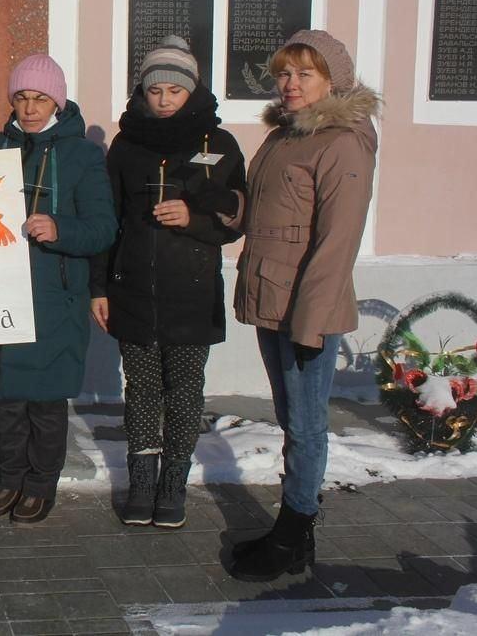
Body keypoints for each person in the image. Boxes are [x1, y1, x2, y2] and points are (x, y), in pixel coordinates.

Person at [228, 30, 379, 581]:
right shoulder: (285, 135)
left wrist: (310, 323)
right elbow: (262, 209)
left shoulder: (342, 141)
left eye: (303, 75)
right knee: (292, 417)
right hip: (273, 297)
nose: (289, 85)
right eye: (283, 74)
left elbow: (338, 240)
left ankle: (293, 535)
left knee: (308, 424)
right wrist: (222, 208)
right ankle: (294, 530)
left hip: (305, 310)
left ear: (331, 80)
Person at [87, 37, 246, 530]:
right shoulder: (127, 145)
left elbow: (237, 215)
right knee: (140, 389)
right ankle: (141, 483)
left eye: (173, 91)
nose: (163, 99)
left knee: (183, 391)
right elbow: (107, 218)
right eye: (154, 90)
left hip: (190, 293)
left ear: (190, 92)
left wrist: (192, 217)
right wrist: (100, 287)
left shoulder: (218, 145)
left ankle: (173, 483)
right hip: (132, 289)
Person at [0, 54, 116, 524]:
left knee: (45, 400)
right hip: (0, 291)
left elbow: (103, 229)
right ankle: (9, 477)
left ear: (58, 101)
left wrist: (60, 227)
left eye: (40, 98)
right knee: (5, 397)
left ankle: (40, 483)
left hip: (55, 294)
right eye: (22, 98)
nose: (30, 108)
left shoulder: (83, 156)